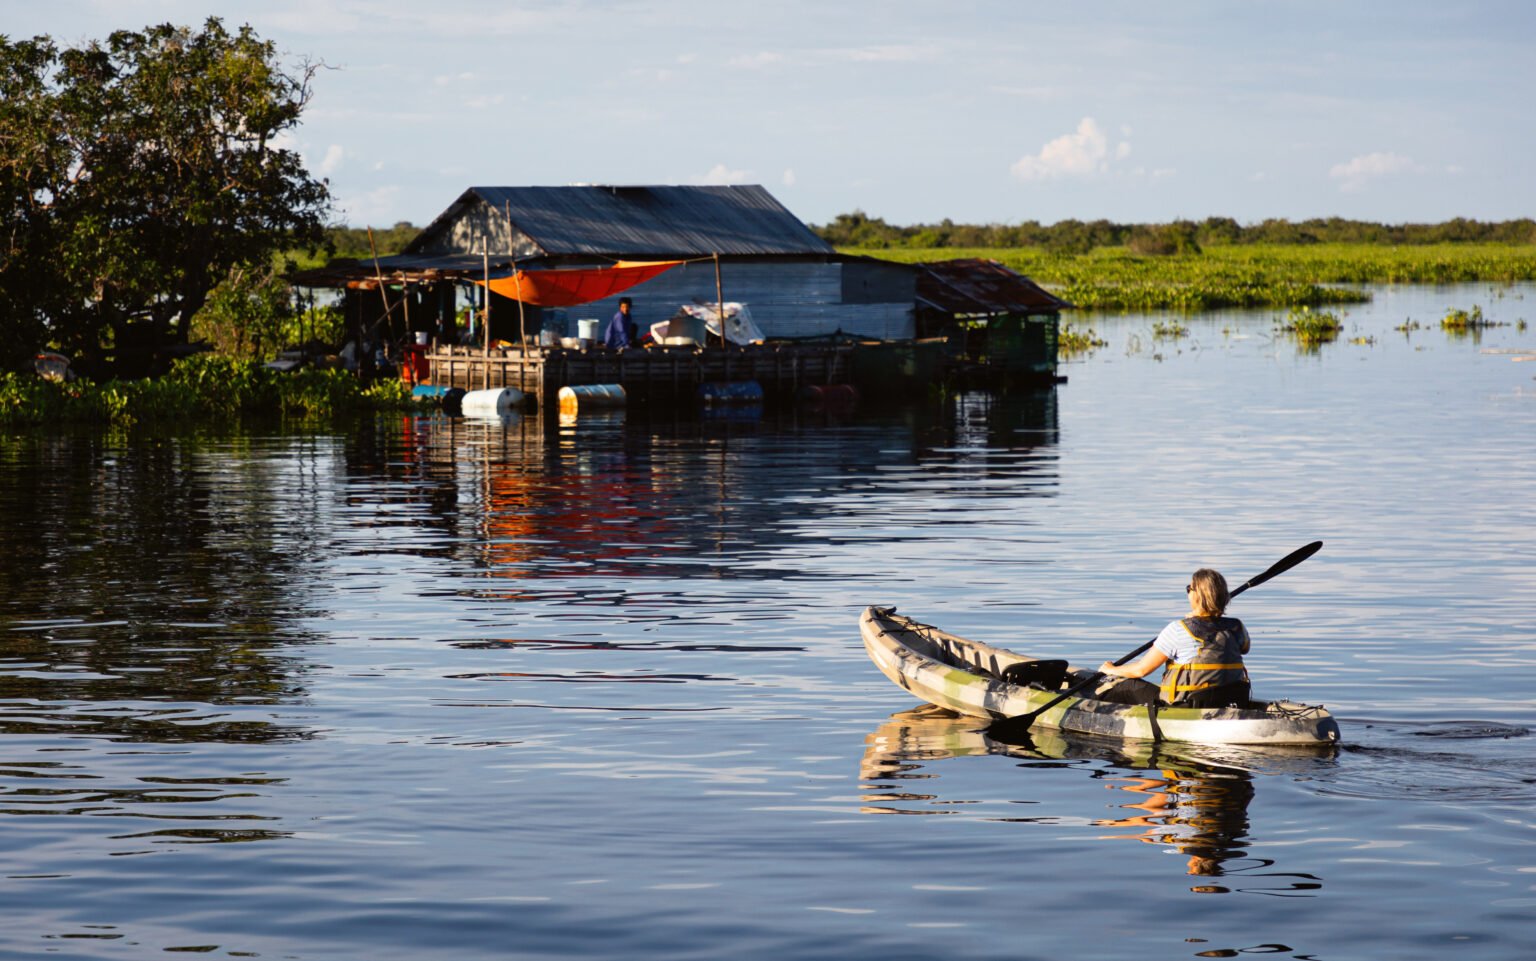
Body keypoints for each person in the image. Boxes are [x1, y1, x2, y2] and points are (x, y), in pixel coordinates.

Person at [1095, 568, 1252, 709]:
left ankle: (1091, 706)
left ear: (1197, 596)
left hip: (1187, 705)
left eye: (1189, 589)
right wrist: (1204, 618)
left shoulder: (1178, 629)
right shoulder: (1237, 627)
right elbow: (1243, 648)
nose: (1188, 592)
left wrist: (1111, 670)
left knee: (1126, 685)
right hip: (1231, 700)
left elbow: (1141, 670)